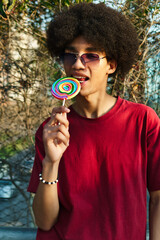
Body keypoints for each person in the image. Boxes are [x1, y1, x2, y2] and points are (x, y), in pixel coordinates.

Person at [27, 3, 160, 240]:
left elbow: (158, 197)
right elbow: (45, 222)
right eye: (71, 55)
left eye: (91, 55)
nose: (78, 64)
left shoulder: (143, 120)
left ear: (112, 65)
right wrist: (51, 162)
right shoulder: (50, 130)